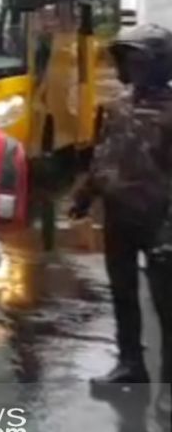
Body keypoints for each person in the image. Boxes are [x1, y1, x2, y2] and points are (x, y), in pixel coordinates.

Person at [70, 24, 172, 412]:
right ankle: (130, 362)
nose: (131, 66)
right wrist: (85, 195)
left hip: (160, 221)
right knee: (123, 295)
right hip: (119, 218)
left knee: (167, 308)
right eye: (127, 59)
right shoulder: (115, 107)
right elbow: (103, 158)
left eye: (139, 58)